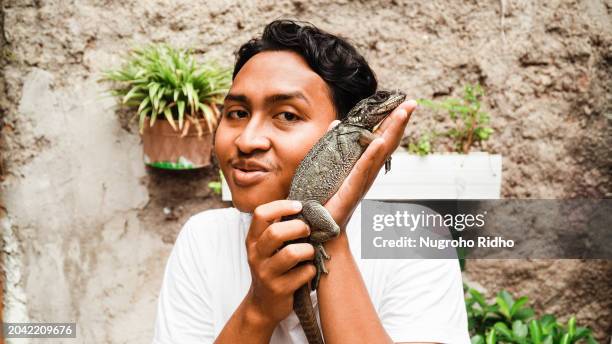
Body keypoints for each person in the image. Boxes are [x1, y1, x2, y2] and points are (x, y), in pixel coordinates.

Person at [152, 19, 469, 344]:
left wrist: (333, 238)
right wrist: (259, 308)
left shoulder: (414, 236)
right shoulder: (203, 238)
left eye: (287, 115)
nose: (247, 141)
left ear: (335, 131)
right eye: (237, 113)